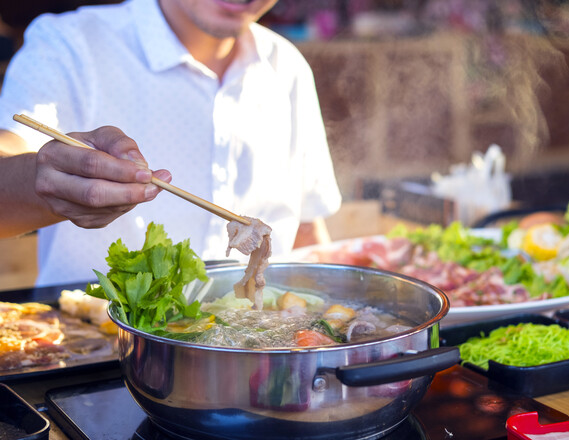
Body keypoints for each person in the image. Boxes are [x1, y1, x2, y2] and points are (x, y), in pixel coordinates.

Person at [0, 0, 342, 286]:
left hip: (251, 349)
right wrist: (42, 179)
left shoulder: (287, 67)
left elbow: (306, 232)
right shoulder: (70, 43)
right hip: (93, 348)